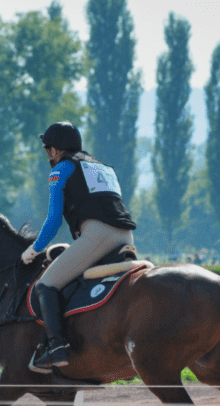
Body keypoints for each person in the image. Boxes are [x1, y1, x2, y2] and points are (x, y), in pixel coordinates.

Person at [21, 121, 137, 370]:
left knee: (46, 285)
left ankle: (56, 349)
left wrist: (34, 250)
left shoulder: (61, 169)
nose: (47, 156)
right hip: (126, 238)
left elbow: (53, 221)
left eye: (47, 150)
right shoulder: (104, 167)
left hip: (97, 237)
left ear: (53, 150)